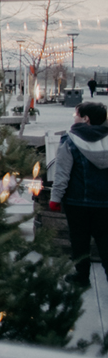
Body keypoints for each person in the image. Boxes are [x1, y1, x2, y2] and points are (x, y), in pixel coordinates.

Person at [49, 101, 108, 287]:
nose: (73, 117)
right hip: (105, 203)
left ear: (85, 119)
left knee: (79, 241)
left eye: (76, 114)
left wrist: (55, 198)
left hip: (77, 202)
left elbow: (62, 174)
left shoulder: (70, 140)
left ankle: (82, 277)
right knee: (106, 243)